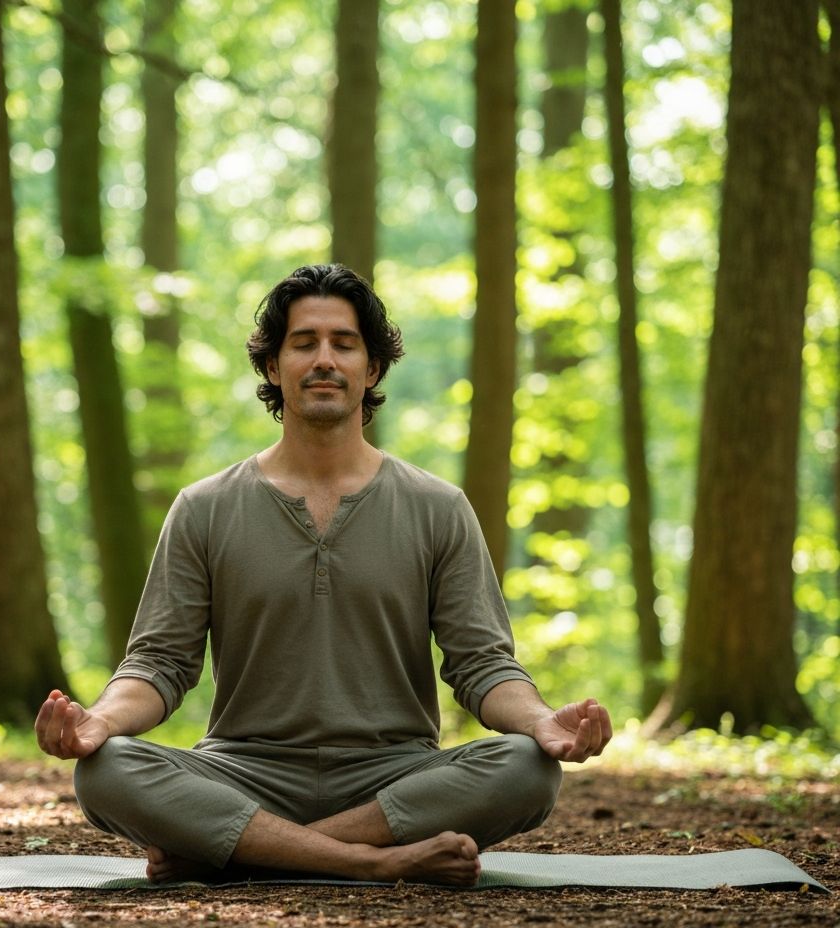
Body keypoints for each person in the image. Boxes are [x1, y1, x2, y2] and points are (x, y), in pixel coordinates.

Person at [36, 263, 612, 887]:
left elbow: (483, 665)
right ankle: (373, 863)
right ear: (272, 367)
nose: (324, 360)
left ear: (372, 368)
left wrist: (539, 720)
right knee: (105, 771)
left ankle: (243, 854)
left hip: (395, 781)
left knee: (527, 769)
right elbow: (159, 665)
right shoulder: (203, 508)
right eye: (303, 343)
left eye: (344, 343)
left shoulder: (437, 507)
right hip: (243, 773)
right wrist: (100, 721)